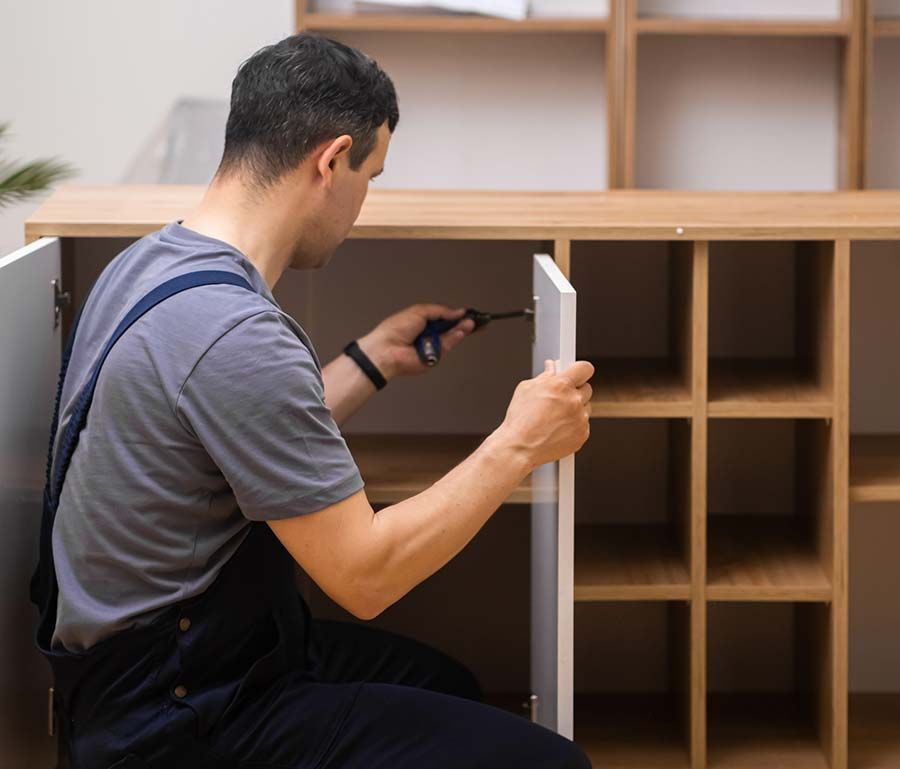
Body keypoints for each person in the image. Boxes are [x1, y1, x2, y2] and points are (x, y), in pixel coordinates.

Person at [32, 32, 595, 769]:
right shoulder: (237, 333)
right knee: (556, 764)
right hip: (177, 716)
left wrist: (370, 360)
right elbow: (367, 575)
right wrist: (518, 443)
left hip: (151, 675)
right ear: (331, 161)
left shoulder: (148, 264)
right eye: (372, 175)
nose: (365, 202)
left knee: (446, 684)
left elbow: (240, 429)